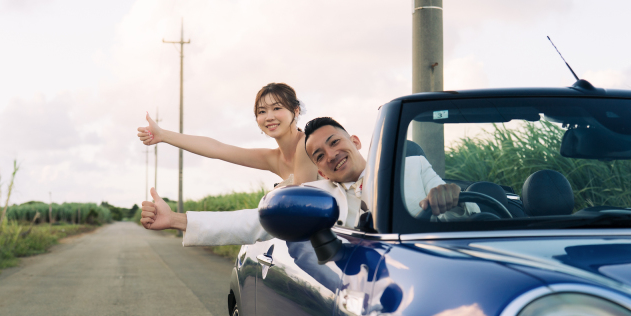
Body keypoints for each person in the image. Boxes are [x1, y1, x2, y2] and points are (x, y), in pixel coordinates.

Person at [141, 117, 473, 246]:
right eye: (318, 156)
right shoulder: (318, 196)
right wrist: (175, 220)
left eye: (334, 142)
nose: (330, 155)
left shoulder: (412, 166)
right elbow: (252, 223)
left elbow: (467, 215)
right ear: (321, 171)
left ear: (355, 141)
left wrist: (453, 202)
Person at [137, 83, 319, 186]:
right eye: (262, 111)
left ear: (295, 111)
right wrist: (162, 135)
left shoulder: (310, 145)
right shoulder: (273, 158)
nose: (269, 117)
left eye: (277, 108)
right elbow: (217, 149)